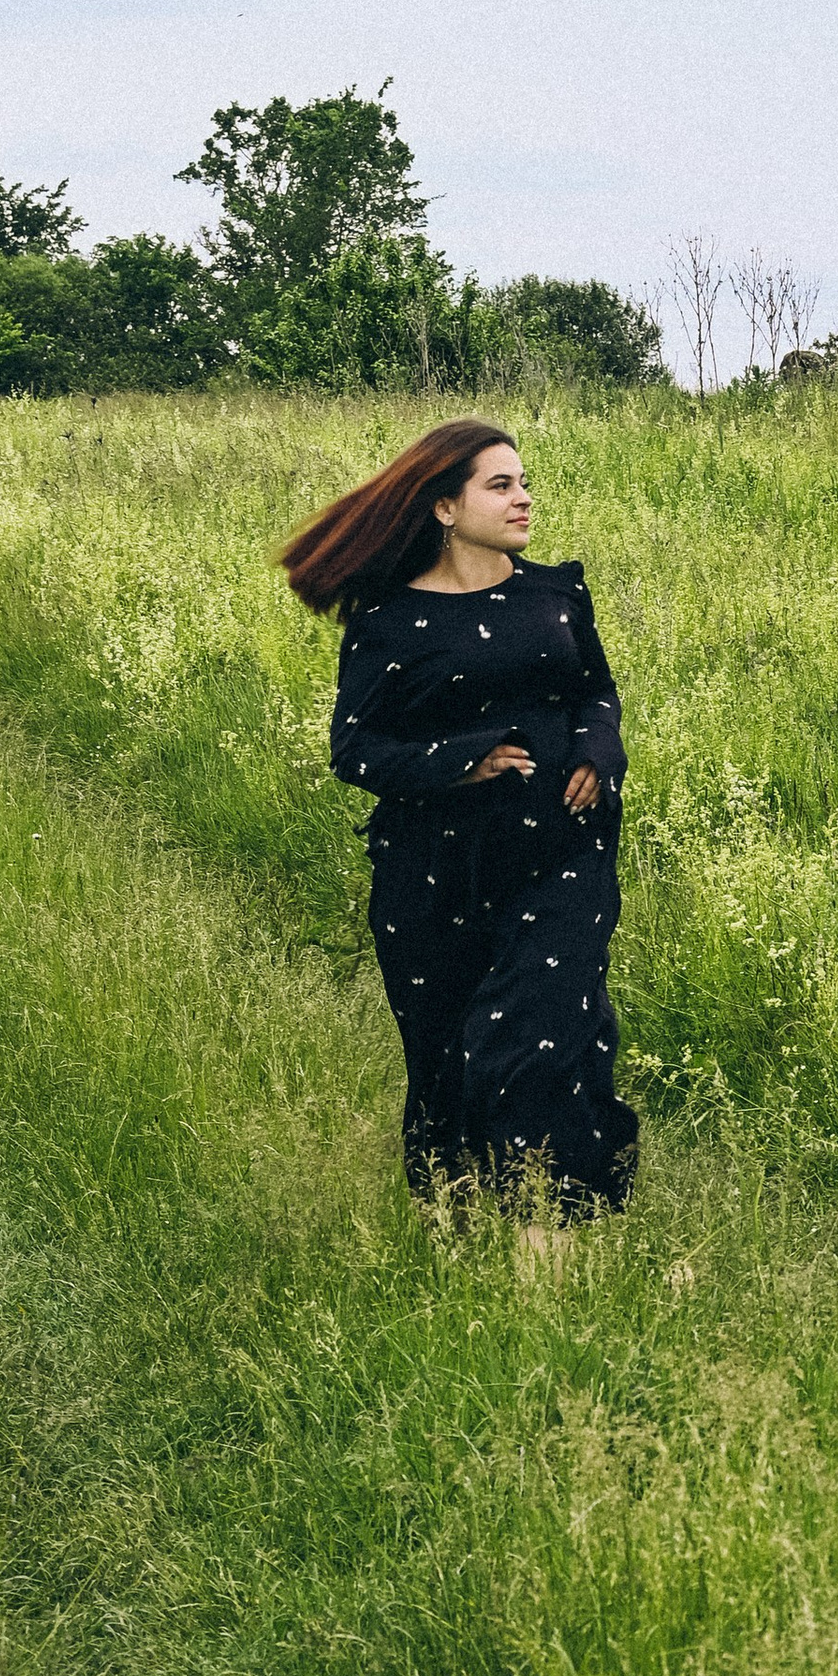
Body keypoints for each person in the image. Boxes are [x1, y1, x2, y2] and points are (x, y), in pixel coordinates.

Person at [279, 417, 638, 1214]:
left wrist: (597, 749)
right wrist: (460, 761)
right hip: (434, 871)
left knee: (543, 1037)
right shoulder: (389, 618)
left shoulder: (556, 592)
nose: (523, 498)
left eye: (524, 482)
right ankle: (459, 1220)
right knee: (447, 1060)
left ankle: (552, 1231)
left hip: (562, 853)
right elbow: (355, 748)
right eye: (500, 485)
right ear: (445, 506)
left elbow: (595, 690)